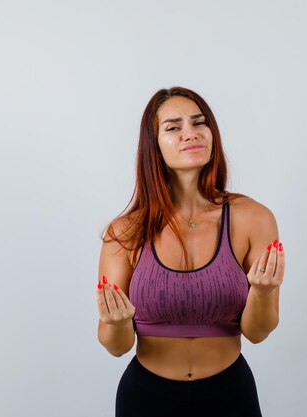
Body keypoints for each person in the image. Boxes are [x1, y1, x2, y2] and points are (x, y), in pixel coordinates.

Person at [95, 86, 285, 416]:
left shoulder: (253, 218)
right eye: (173, 127)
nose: (191, 133)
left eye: (199, 123)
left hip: (230, 395)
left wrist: (264, 291)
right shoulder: (124, 232)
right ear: (153, 146)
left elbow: (257, 333)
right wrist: (118, 323)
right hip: (146, 399)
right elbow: (116, 346)